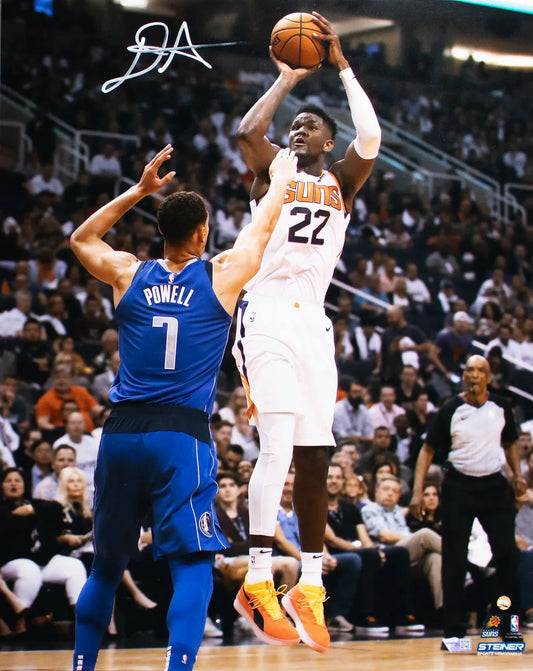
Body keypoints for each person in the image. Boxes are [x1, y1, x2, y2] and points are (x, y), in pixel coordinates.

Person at [68, 144, 298, 671]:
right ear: (201, 234)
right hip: (181, 437)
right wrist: (282, 173)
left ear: (160, 231)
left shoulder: (128, 273)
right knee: (193, 564)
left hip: (121, 433)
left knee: (105, 567)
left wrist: (140, 190)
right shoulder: (220, 275)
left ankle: (81, 665)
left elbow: (81, 238)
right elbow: (262, 228)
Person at [231, 11, 381, 653]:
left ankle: (310, 584)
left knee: (319, 454)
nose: (297, 131)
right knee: (277, 447)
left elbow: (371, 133)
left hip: (314, 321)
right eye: (295, 127)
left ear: (328, 142)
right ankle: (258, 578)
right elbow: (247, 130)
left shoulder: (343, 180)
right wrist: (289, 79)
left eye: (310, 127)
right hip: (264, 310)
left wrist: (342, 65)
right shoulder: (277, 170)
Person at [409, 354, 527, 642]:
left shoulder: (501, 406)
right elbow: (427, 450)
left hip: (493, 485)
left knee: (508, 555)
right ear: (464, 376)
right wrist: (416, 492)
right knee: (454, 559)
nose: (474, 374)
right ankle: (453, 632)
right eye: (469, 369)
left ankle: (506, 626)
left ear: (488, 377)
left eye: (480, 370)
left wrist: (516, 474)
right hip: (459, 485)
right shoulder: (451, 408)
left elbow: (510, 442)